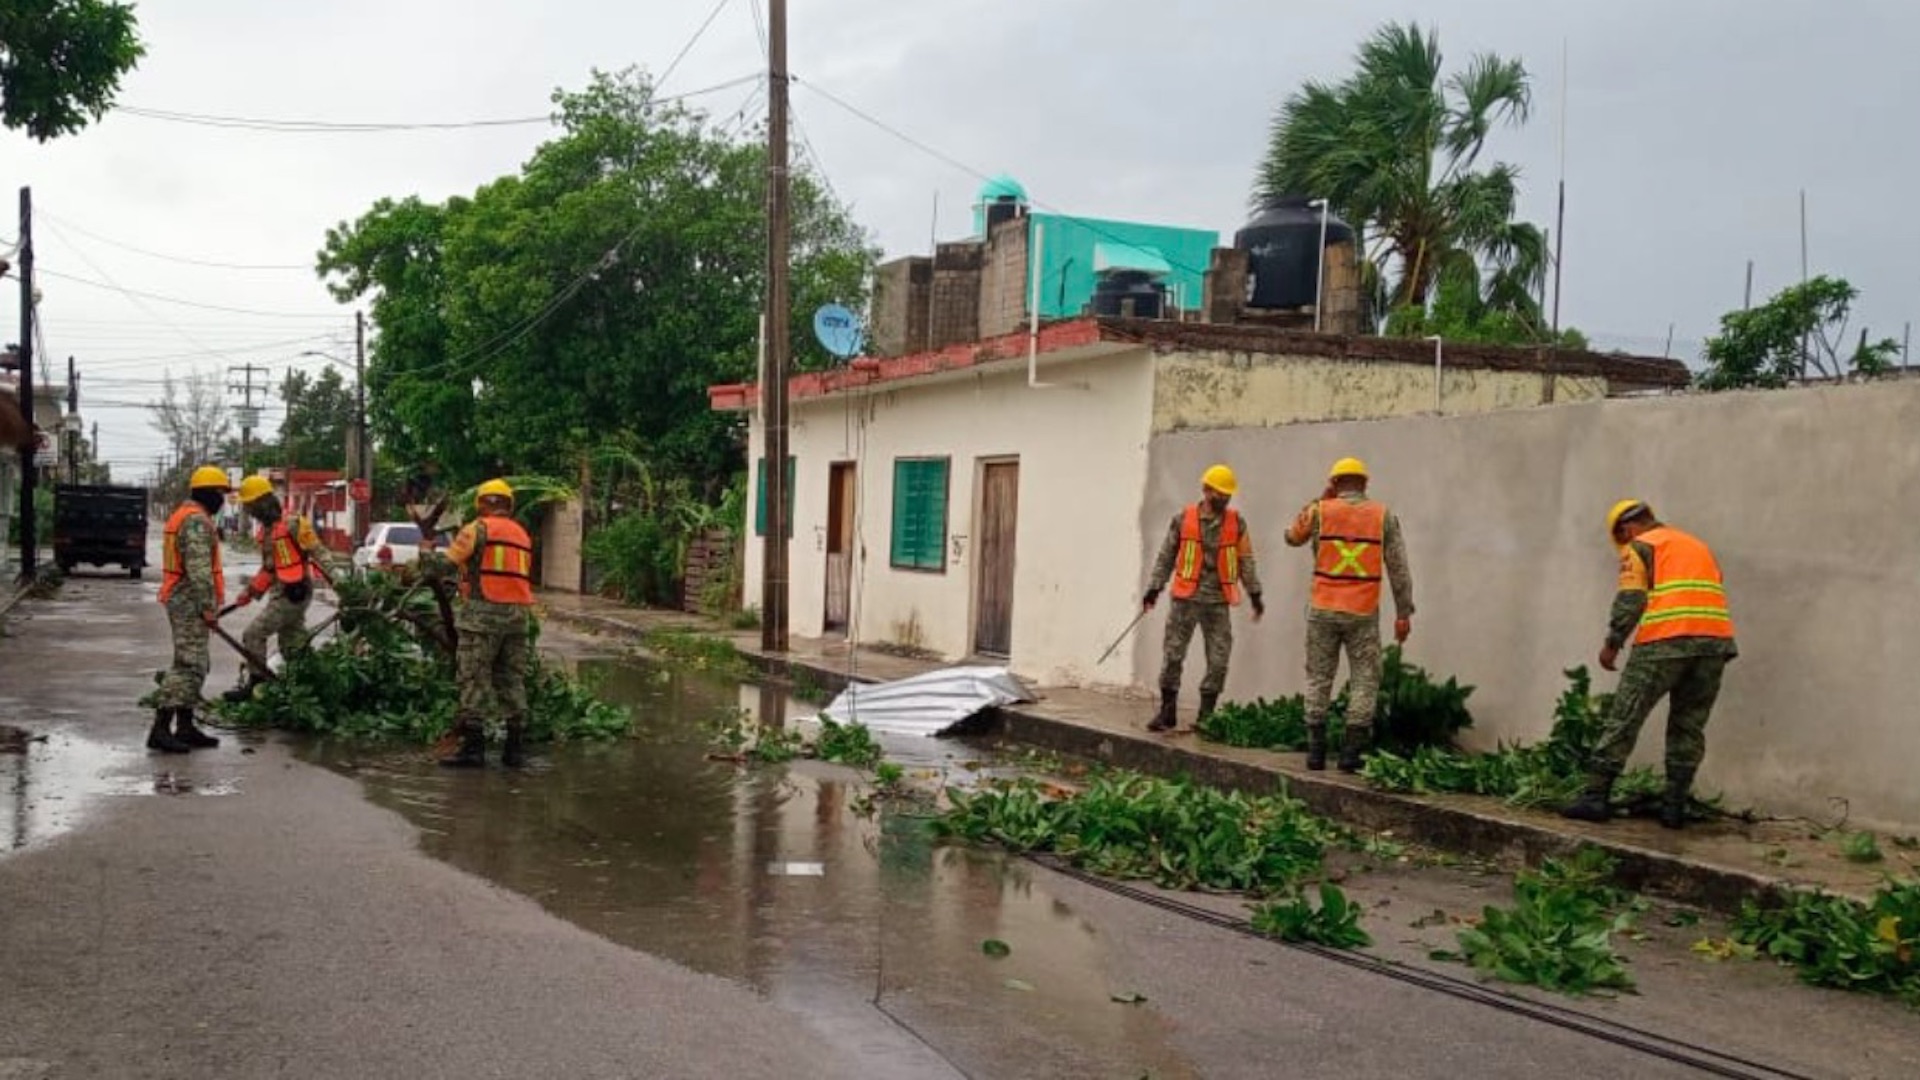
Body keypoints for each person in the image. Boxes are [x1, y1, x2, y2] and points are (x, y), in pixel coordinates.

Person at [1562, 500, 1737, 829]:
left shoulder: (1639, 548)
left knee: (1625, 716)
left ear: (1626, 530)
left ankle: (1595, 797)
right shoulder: (1698, 546)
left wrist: (1612, 644)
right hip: (1714, 645)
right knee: (1688, 725)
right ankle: (1674, 806)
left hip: (1664, 641)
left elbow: (1631, 601)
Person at [1284, 457, 1414, 772]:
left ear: (1335, 482)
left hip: (1323, 609)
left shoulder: (1320, 511)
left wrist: (1321, 498)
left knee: (1318, 676)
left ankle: (1315, 752)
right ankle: (1350, 754)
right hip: (1362, 611)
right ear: (1365, 483)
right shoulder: (1383, 516)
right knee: (1365, 679)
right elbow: (1399, 569)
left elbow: (1291, 536)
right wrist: (1403, 613)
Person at [422, 478, 536, 768]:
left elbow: (442, 566)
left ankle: (474, 749)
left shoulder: (476, 529)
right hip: (518, 619)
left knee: (474, 678)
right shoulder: (522, 534)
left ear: (482, 504)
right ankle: (515, 750)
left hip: (481, 619)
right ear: (509, 505)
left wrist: (425, 550)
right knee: (511, 679)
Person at [1142, 464, 1263, 733]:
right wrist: (1153, 589)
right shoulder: (1183, 519)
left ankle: (1206, 715)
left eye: (1228, 495)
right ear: (1206, 490)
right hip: (1185, 598)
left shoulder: (1237, 522)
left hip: (1218, 602)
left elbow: (1246, 561)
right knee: (1173, 655)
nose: (1224, 499)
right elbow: (1166, 557)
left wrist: (1255, 594)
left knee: (1219, 660)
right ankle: (1167, 711)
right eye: (1219, 493)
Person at [224, 476, 335, 701]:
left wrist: (340, 583)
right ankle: (309, 685)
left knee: (253, 634)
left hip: (295, 591)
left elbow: (319, 552)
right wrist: (251, 592)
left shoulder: (294, 523)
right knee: (292, 643)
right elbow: (269, 568)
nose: (250, 512)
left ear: (263, 502)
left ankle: (258, 684)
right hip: (281, 591)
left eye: (251, 506)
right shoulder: (267, 532)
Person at [153, 466, 232, 753]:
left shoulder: (185, 515)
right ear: (209, 492)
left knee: (195, 662)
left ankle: (185, 727)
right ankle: (160, 729)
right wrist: (207, 607)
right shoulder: (196, 521)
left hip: (183, 598)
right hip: (188, 599)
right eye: (221, 493)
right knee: (190, 665)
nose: (223, 499)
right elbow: (199, 571)